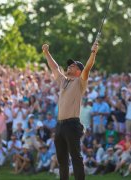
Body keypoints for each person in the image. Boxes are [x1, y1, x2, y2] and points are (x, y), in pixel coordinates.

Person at [42, 39, 99, 180]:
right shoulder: (63, 81)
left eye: (72, 66)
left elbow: (88, 68)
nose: (69, 67)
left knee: (76, 158)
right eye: (69, 66)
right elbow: (54, 67)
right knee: (62, 161)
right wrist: (46, 53)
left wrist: (93, 52)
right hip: (60, 125)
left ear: (78, 71)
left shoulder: (80, 82)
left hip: (72, 124)